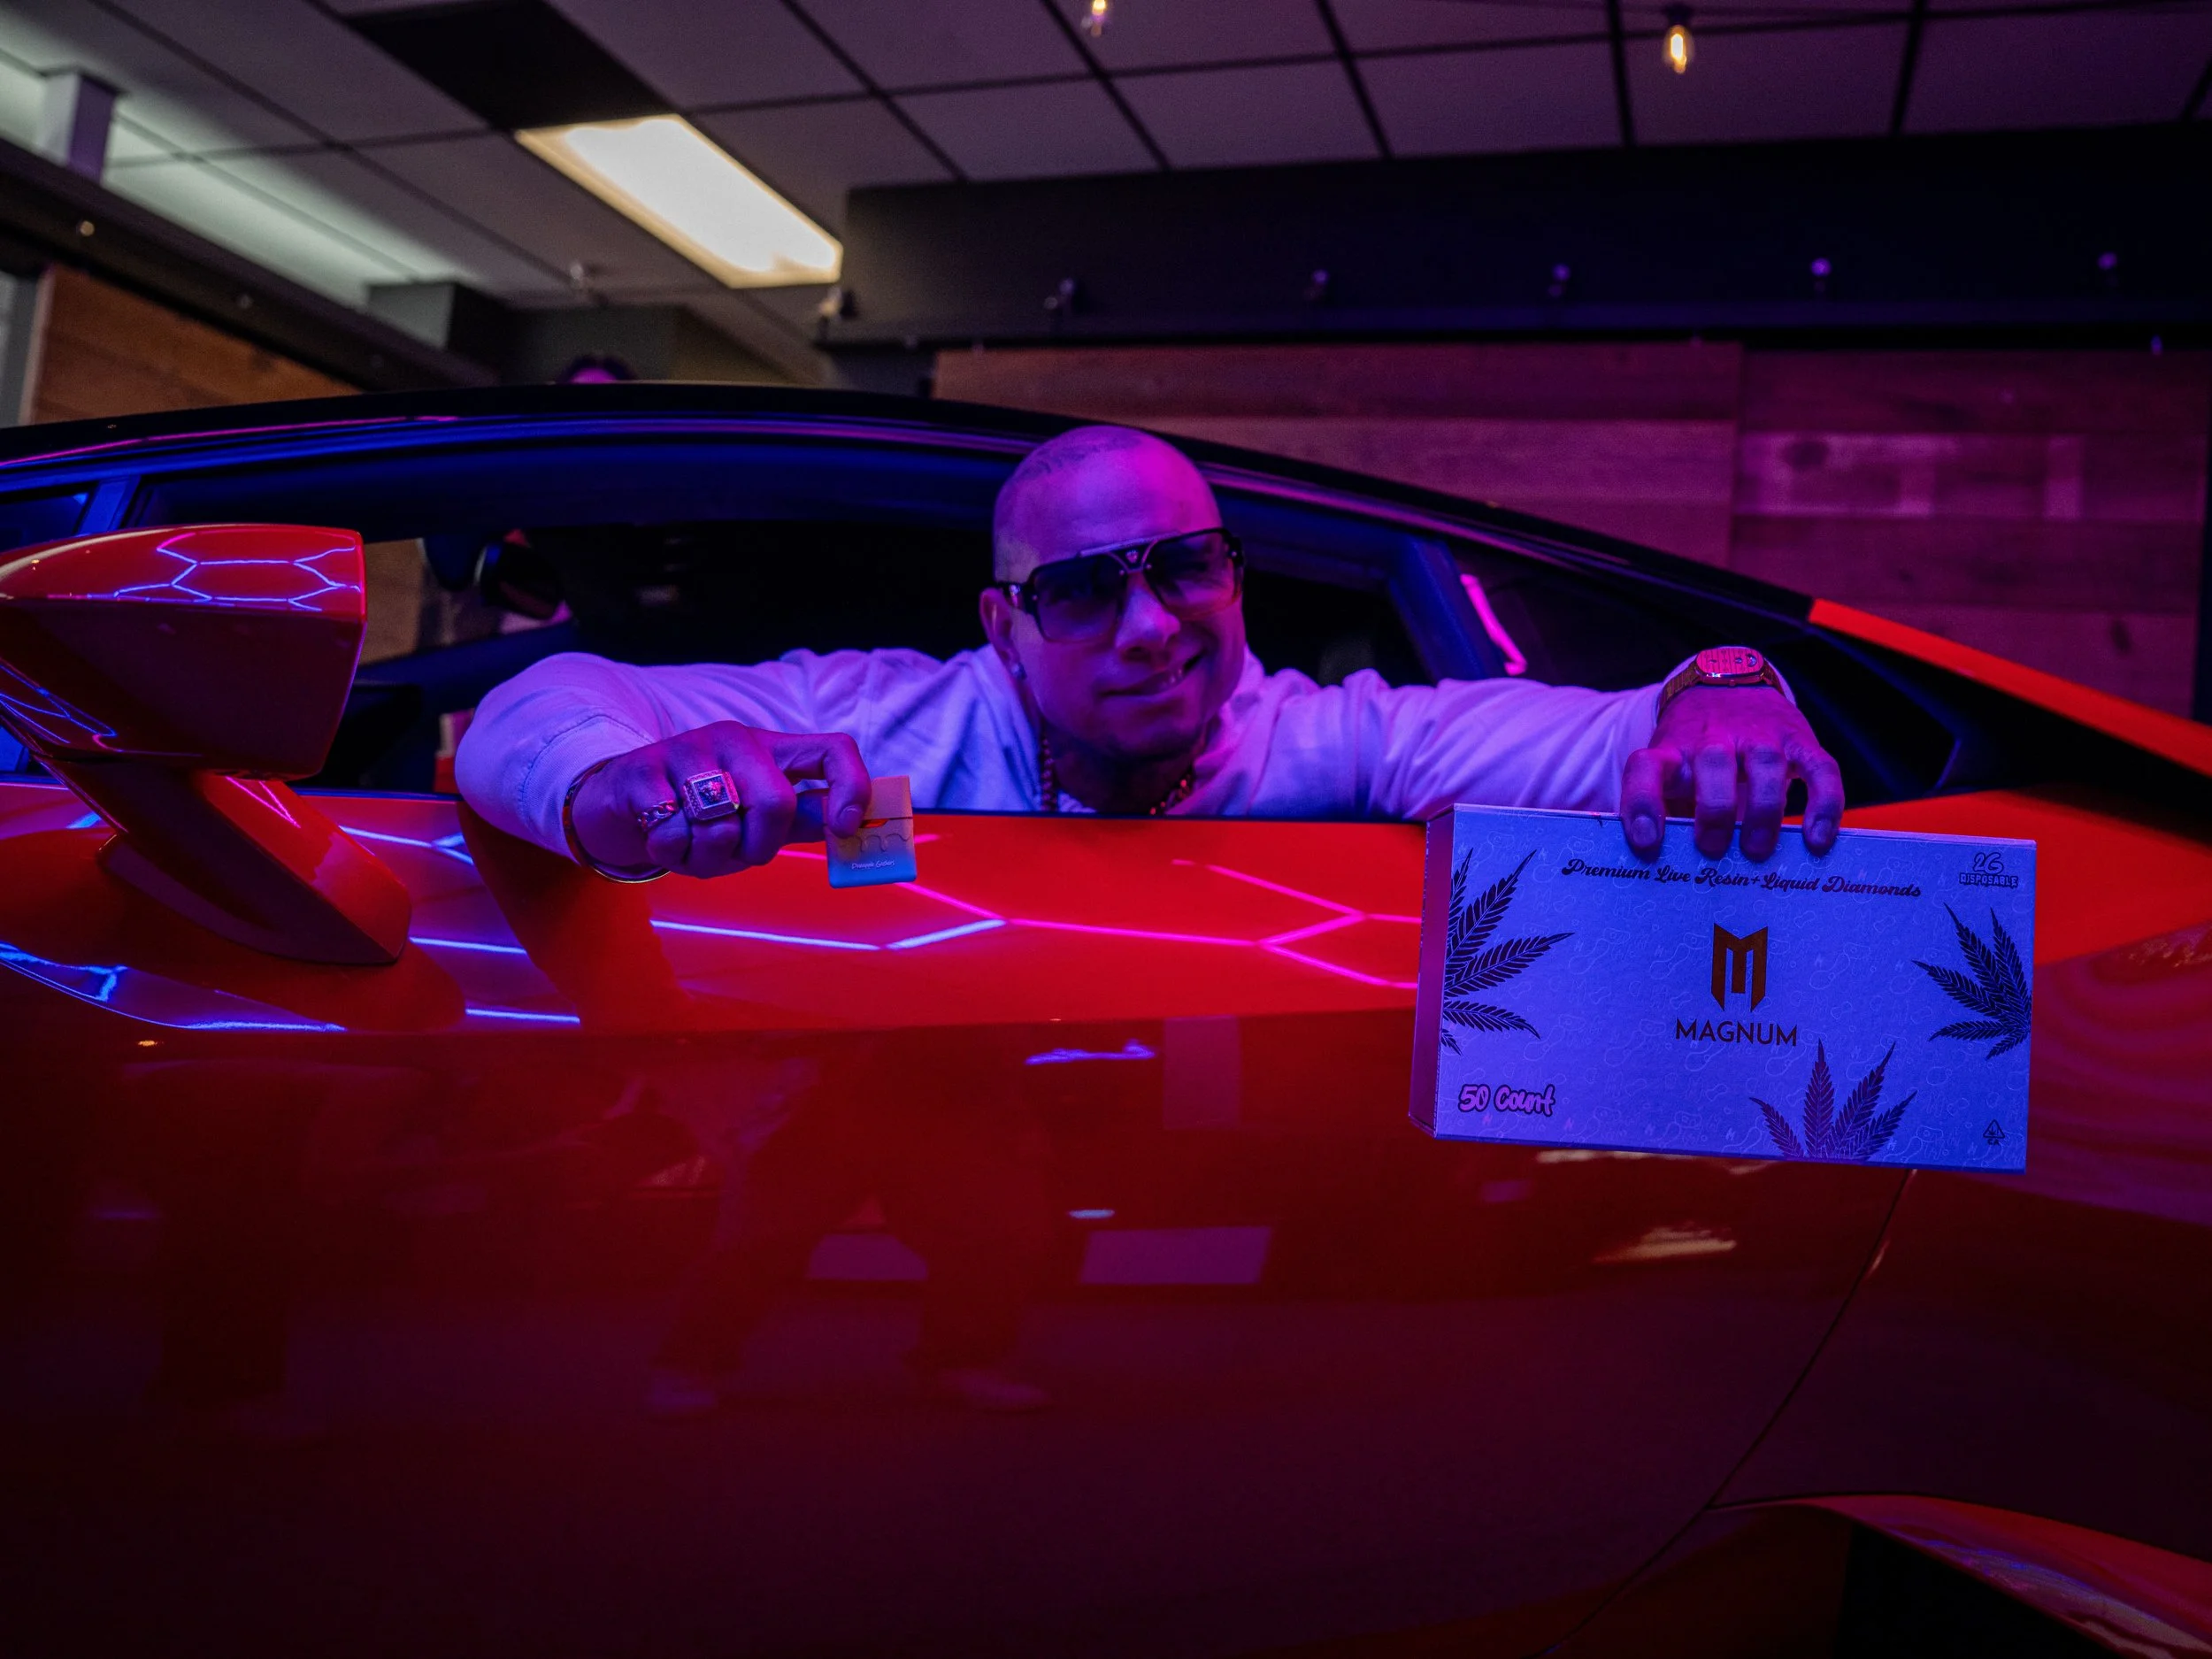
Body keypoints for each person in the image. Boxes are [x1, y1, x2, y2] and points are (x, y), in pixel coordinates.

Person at [457, 425, 1845, 881]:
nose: (1153, 625)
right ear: (1000, 626)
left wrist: (1726, 690)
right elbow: (545, 697)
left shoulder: (1321, 736)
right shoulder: (889, 721)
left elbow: (1617, 728)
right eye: (1080, 592)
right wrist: (607, 790)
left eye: (1186, 566)